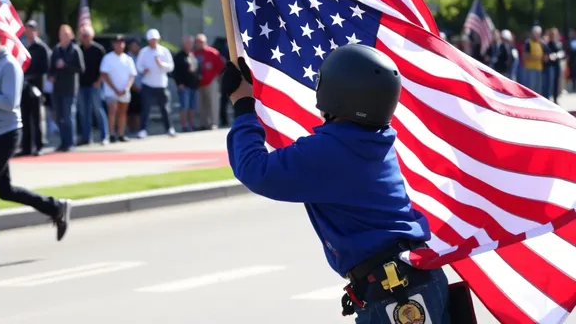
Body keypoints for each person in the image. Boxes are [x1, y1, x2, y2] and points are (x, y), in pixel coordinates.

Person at [222, 45, 450, 323]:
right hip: (405, 282)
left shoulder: (333, 150)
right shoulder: (375, 137)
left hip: (395, 292)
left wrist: (244, 105)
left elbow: (254, 170)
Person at [0, 31, 72, 264]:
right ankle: (55, 207)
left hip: (6, 134)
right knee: (5, 190)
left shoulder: (10, 66)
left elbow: (9, 102)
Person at [48, 24, 85, 151]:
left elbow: (80, 68)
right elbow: (51, 68)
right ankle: (63, 143)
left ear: (71, 36)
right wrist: (51, 76)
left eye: (65, 34)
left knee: (68, 116)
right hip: (57, 88)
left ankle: (70, 143)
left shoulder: (75, 50)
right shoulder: (56, 50)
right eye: (61, 34)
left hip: (69, 88)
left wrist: (65, 66)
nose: (63, 37)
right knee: (59, 117)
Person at [18, 20, 51, 156]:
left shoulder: (42, 48)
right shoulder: (24, 47)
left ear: (36, 31)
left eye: (32, 29)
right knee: (25, 117)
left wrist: (32, 77)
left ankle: (39, 146)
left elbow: (45, 68)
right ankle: (26, 147)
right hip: (24, 86)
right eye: (27, 29)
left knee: (37, 119)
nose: (29, 32)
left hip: (36, 87)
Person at [136, 28, 176, 138]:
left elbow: (171, 67)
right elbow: (139, 66)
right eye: (151, 39)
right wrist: (143, 70)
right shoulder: (143, 52)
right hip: (147, 84)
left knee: (165, 108)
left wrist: (161, 64)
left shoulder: (164, 51)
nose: (153, 41)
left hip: (161, 84)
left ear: (158, 39)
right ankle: (143, 129)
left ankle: (169, 128)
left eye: (154, 39)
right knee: (145, 108)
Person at [100, 35, 137, 142]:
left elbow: (132, 75)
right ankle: (111, 134)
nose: (119, 45)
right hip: (112, 90)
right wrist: (114, 88)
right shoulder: (108, 58)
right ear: (113, 44)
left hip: (124, 91)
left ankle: (121, 133)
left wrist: (127, 87)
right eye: (117, 42)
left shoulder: (128, 59)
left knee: (122, 112)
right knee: (112, 111)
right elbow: (104, 74)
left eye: (121, 42)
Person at [77, 26, 109, 145]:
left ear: (92, 36)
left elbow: (104, 68)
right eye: (83, 36)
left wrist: (99, 81)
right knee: (84, 112)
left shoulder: (98, 49)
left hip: (95, 85)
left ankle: (104, 136)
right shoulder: (79, 49)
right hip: (81, 85)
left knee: (98, 110)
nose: (85, 38)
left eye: (87, 35)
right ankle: (86, 138)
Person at [194, 34, 225, 130]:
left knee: (213, 103)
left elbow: (221, 65)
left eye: (202, 42)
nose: (200, 44)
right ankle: (203, 123)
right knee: (201, 104)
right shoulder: (194, 53)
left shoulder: (212, 52)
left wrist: (216, 76)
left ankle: (213, 123)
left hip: (211, 82)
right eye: (198, 42)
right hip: (199, 83)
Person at [173, 35, 200, 132]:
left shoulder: (192, 55)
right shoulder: (179, 56)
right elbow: (175, 71)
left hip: (193, 84)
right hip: (184, 85)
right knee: (184, 106)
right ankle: (183, 125)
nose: (189, 45)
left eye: (190, 43)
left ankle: (192, 124)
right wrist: (179, 83)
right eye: (187, 43)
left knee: (192, 106)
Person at [125, 38, 143, 135]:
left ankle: (137, 128)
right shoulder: (126, 58)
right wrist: (132, 85)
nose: (135, 48)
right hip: (130, 87)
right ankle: (130, 128)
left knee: (138, 110)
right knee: (129, 109)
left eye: (137, 46)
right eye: (133, 46)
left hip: (140, 87)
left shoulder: (141, 57)